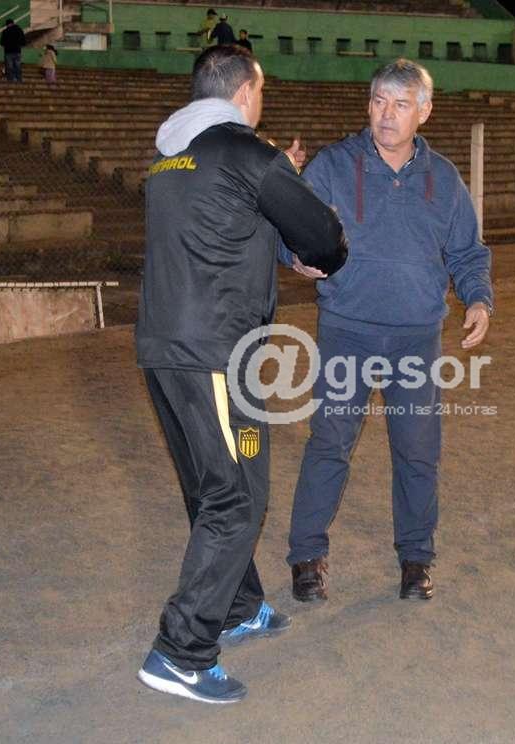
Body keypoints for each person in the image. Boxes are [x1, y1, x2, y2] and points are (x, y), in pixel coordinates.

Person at [135, 45, 347, 704]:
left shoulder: (170, 158)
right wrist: (317, 242)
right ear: (246, 92)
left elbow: (226, 229)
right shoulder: (250, 154)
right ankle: (180, 652)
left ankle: (237, 604)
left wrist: (275, 189)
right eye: (262, 91)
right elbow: (323, 235)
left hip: (174, 353)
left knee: (229, 481)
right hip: (216, 356)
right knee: (233, 499)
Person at [280, 58, 493, 604]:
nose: (387, 115)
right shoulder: (332, 166)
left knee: (418, 452)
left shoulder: (443, 179)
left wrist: (478, 299)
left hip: (415, 339)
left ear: (424, 111)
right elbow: (289, 227)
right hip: (346, 332)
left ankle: (416, 558)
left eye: (401, 104)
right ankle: (307, 556)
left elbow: (467, 252)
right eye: (379, 101)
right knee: (330, 443)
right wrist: (295, 256)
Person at [0, 19, 26, 83]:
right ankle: (19, 79)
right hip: (17, 51)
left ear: (7, 24)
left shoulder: (5, 31)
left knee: (9, 66)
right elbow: (23, 41)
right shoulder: (19, 30)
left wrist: (5, 44)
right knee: (18, 66)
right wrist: (20, 45)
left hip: (8, 51)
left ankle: (11, 80)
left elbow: (2, 42)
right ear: (13, 23)